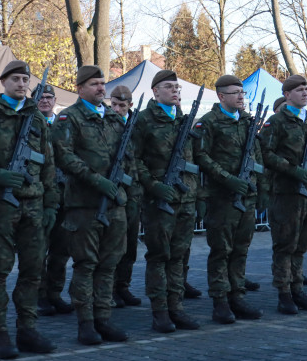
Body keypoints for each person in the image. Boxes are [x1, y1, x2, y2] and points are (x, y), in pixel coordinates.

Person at [0, 60, 59, 358]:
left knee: (32, 271)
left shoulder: (37, 118)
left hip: (33, 204)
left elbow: (48, 162)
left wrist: (51, 204)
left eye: (25, 79)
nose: (21, 84)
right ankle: (0, 332)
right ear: (3, 81)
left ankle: (27, 329)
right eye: (16, 79)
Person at [53, 65, 130, 345]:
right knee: (86, 265)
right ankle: (86, 323)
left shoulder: (114, 118)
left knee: (109, 264)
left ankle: (103, 319)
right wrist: (97, 181)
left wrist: (121, 182)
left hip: (114, 203)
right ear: (80, 88)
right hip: (84, 205)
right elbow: (65, 157)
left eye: (102, 83)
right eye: (95, 84)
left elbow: (128, 154)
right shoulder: (68, 118)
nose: (101, 88)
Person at [131, 71, 201, 332]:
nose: (175, 91)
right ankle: (160, 311)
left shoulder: (182, 119)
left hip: (185, 198)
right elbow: (134, 159)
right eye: (168, 87)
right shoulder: (143, 120)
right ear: (155, 92)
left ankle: (177, 307)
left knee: (179, 257)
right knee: (160, 256)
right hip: (158, 200)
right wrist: (153, 186)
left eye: (177, 87)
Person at [194, 74, 265, 323]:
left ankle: (238, 295)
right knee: (221, 251)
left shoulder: (247, 121)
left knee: (240, 249)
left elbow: (256, 156)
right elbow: (201, 157)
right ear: (221, 96)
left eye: (242, 93)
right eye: (236, 93)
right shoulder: (209, 123)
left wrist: (260, 188)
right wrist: (226, 178)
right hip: (222, 197)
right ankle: (220, 300)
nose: (241, 97)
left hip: (246, 196)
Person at [259, 74, 307, 314]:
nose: (305, 93)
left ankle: (297, 288)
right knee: (285, 245)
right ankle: (284, 293)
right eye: (299, 90)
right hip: (287, 192)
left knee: (301, 246)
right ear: (287, 95)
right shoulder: (276, 122)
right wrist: (293, 171)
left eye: (306, 89)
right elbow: (265, 153)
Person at [37, 86, 76, 318]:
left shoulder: (64, 123)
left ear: (55, 100)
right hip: (40, 196)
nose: (45, 101)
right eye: (40, 97)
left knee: (62, 249)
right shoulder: (28, 123)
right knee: (38, 251)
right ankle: (40, 296)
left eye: (49, 97)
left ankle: (54, 293)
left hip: (65, 194)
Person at [110, 85, 145, 309]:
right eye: (114, 104)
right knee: (113, 244)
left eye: (122, 105)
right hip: (113, 192)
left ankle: (123, 285)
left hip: (134, 192)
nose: (117, 109)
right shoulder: (105, 124)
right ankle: (109, 288)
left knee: (130, 244)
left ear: (130, 106)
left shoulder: (138, 126)